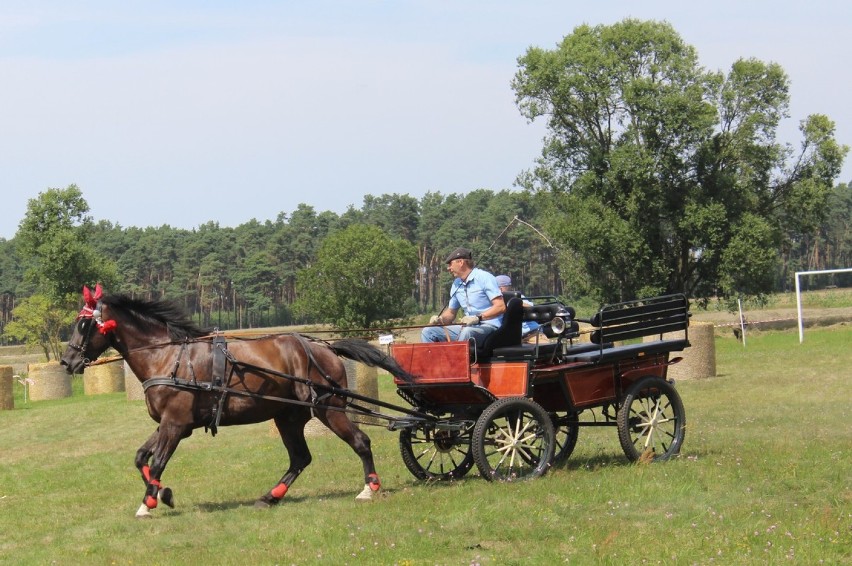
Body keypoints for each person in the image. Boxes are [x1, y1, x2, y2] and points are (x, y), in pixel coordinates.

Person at [421, 247, 506, 344]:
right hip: (468, 327)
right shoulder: (456, 284)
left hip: (489, 326)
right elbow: (451, 313)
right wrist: (440, 319)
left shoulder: (484, 277)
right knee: (428, 331)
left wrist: (478, 318)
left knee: (467, 332)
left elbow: (500, 306)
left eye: (450, 264)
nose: (448, 268)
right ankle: (436, 359)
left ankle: (456, 359)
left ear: (461, 262)